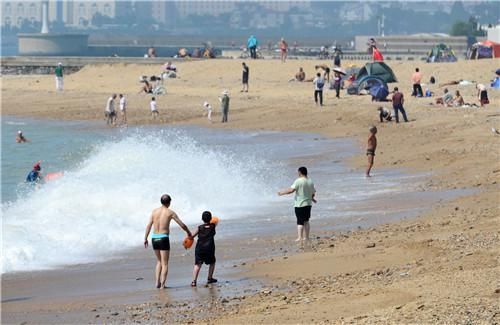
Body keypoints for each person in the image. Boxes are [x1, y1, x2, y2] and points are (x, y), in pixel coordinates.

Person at [144, 194, 192, 289]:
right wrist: (188, 232)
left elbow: (149, 225)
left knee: (159, 261)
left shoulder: (154, 211)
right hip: (163, 238)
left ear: (161, 201)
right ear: (169, 202)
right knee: (165, 263)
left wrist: (145, 238)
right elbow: (182, 224)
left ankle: (157, 283)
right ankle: (162, 285)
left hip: (154, 238)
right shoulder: (170, 212)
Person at [278, 166, 317, 242]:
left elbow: (291, 190)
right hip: (308, 204)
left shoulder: (298, 181)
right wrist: (312, 199)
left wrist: (281, 193)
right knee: (306, 221)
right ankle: (307, 237)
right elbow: (313, 193)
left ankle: (300, 237)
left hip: (300, 204)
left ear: (299, 172)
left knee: (300, 221)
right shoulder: (310, 181)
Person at [190, 211, 218, 287]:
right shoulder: (213, 226)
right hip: (209, 248)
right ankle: (209, 278)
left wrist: (188, 237)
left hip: (200, 248)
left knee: (198, 264)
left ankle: (194, 281)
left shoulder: (199, 228)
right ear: (211, 218)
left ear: (202, 219)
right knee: (212, 262)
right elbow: (216, 221)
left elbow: (192, 236)